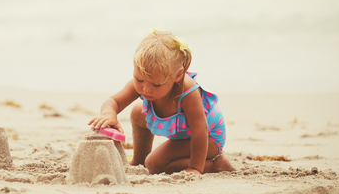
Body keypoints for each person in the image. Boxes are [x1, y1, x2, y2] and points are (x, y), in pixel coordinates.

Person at [88, 29, 235, 174]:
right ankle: (140, 159)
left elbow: (199, 131)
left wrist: (196, 168)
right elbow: (114, 101)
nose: (145, 89)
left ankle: (216, 165)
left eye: (156, 84)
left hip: (208, 139)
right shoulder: (147, 79)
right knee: (138, 112)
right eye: (139, 79)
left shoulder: (187, 91)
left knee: (154, 163)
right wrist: (109, 114)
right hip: (186, 134)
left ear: (178, 76)